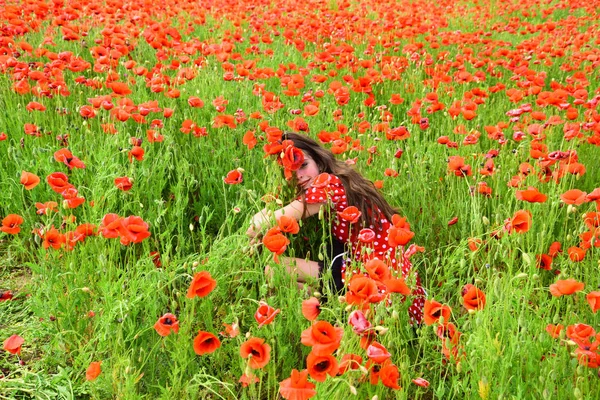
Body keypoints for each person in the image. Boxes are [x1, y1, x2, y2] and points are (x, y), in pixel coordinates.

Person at [246, 132, 425, 324]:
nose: (299, 175)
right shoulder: (339, 180)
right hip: (394, 282)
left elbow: (256, 226)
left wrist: (264, 216)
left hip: (380, 286)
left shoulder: (327, 187)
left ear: (319, 161)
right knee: (291, 284)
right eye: (290, 171)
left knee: (274, 269)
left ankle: (302, 315)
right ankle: (328, 308)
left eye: (304, 165)